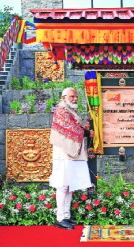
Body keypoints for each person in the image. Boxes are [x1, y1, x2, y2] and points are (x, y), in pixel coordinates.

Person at [49, 87, 92, 230]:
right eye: (72, 96)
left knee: (69, 185)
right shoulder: (61, 110)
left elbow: (75, 126)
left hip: (71, 151)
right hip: (63, 152)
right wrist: (86, 131)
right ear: (63, 98)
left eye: (76, 97)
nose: (74, 99)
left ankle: (66, 215)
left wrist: (83, 127)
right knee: (62, 185)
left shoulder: (70, 111)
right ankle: (60, 218)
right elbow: (71, 129)